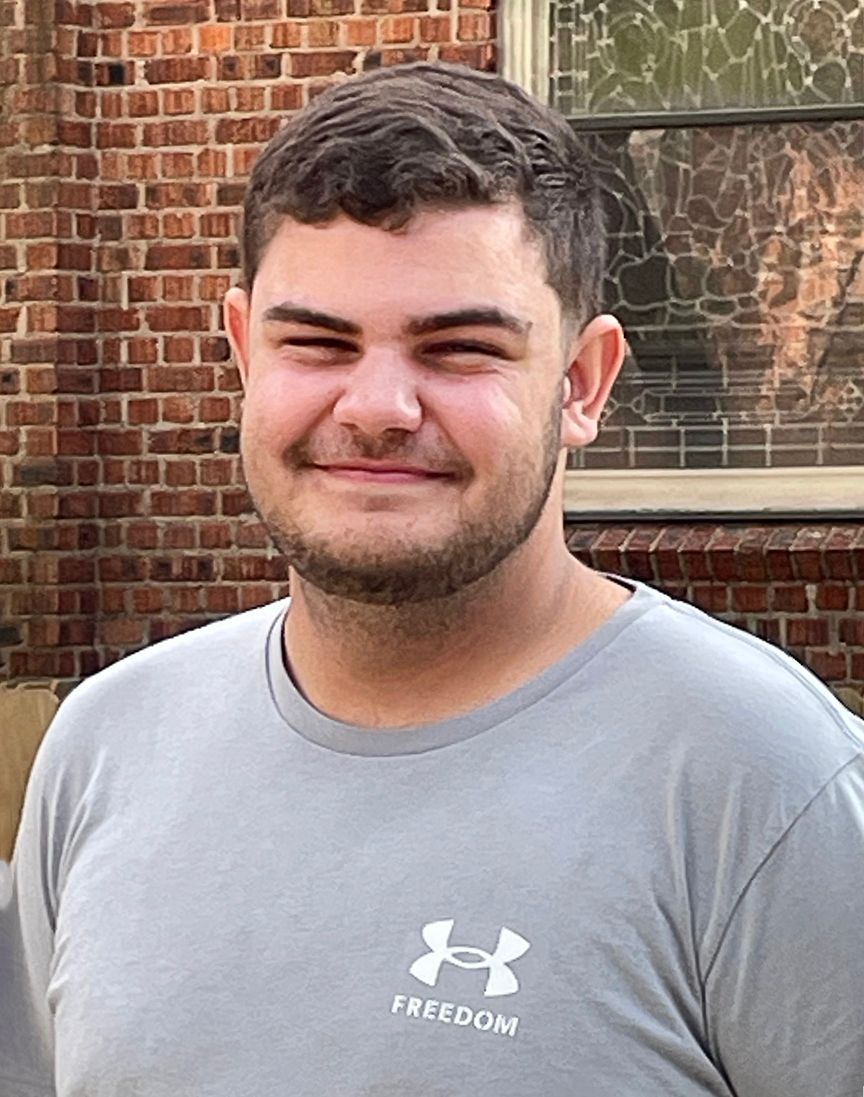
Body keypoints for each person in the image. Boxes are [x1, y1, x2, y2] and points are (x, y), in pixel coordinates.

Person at [2, 61, 863, 1097]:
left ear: (581, 383)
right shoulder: (106, 743)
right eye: (317, 342)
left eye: (458, 348)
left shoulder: (767, 785)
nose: (376, 407)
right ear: (242, 352)